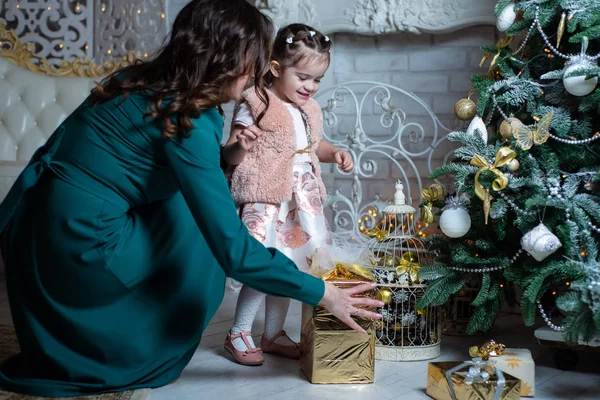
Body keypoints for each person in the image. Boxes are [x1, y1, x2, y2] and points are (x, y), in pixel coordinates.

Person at [0, 0, 381, 397]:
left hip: (33, 231)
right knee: (205, 227)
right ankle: (132, 345)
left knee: (198, 201)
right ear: (226, 60)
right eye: (253, 62)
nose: (255, 74)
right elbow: (233, 249)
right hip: (75, 248)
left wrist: (225, 158)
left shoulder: (141, 78)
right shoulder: (189, 116)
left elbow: (152, 162)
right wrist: (322, 292)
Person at [222, 24, 354, 366]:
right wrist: (241, 145)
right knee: (266, 265)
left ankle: (272, 333)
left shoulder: (308, 109)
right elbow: (230, 155)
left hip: (301, 200)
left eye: (317, 80)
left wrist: (334, 151)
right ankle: (239, 331)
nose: (310, 87)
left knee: (292, 266)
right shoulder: (257, 102)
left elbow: (311, 146)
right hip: (269, 197)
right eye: (303, 77)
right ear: (277, 69)